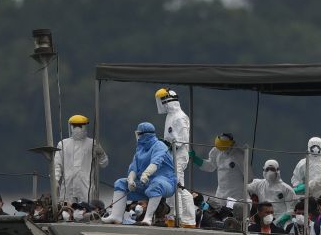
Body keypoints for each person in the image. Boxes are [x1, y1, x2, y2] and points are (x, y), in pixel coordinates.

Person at [104, 122, 176, 225]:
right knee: (120, 183)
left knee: (156, 184)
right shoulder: (140, 148)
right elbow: (133, 167)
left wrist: (146, 174)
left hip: (166, 182)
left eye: (140, 134)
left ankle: (148, 218)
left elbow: (156, 162)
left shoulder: (159, 146)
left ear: (145, 135)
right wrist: (131, 180)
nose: (138, 136)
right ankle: (116, 216)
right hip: (144, 183)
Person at [154, 88, 197, 227]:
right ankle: (174, 215)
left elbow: (182, 140)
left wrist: (167, 143)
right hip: (171, 154)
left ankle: (185, 218)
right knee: (173, 186)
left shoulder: (180, 116)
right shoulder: (170, 116)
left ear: (167, 101)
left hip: (179, 155)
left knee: (178, 186)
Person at [54, 114, 109, 205]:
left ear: (85, 126)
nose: (77, 128)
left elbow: (104, 163)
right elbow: (57, 165)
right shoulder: (63, 144)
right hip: (68, 185)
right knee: (66, 209)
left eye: (80, 126)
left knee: (86, 208)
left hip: (86, 185)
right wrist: (55, 180)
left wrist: (101, 153)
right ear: (70, 126)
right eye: (74, 126)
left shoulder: (93, 143)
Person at [193, 133, 248, 208]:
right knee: (216, 211)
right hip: (221, 191)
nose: (221, 150)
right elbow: (210, 166)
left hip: (236, 192)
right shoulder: (216, 151)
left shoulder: (239, 155)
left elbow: (249, 177)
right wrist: (196, 159)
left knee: (233, 213)